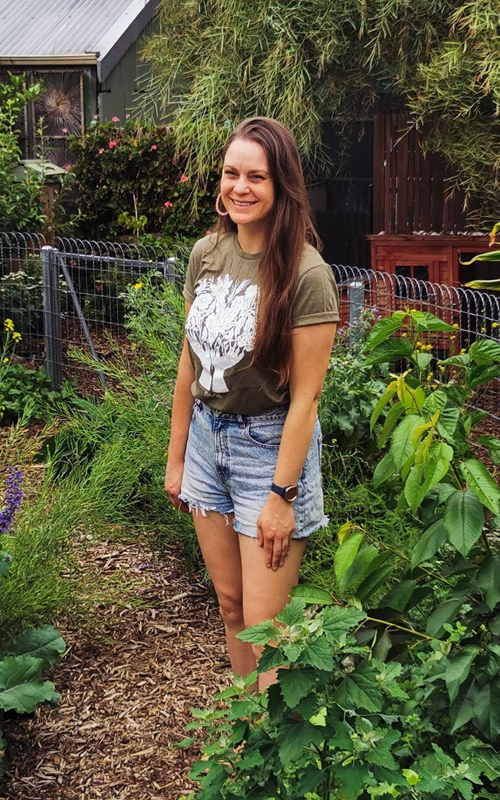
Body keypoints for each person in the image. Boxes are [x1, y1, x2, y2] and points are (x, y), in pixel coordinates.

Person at [164, 117, 339, 691]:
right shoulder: (206, 253)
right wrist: (177, 457)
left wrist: (281, 498)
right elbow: (189, 362)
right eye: (231, 173)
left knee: (269, 629)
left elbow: (306, 399)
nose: (240, 187)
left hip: (268, 451)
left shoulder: (307, 274)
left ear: (281, 185)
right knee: (232, 607)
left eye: (256, 177)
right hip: (208, 443)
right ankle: (246, 736)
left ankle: (274, 754)